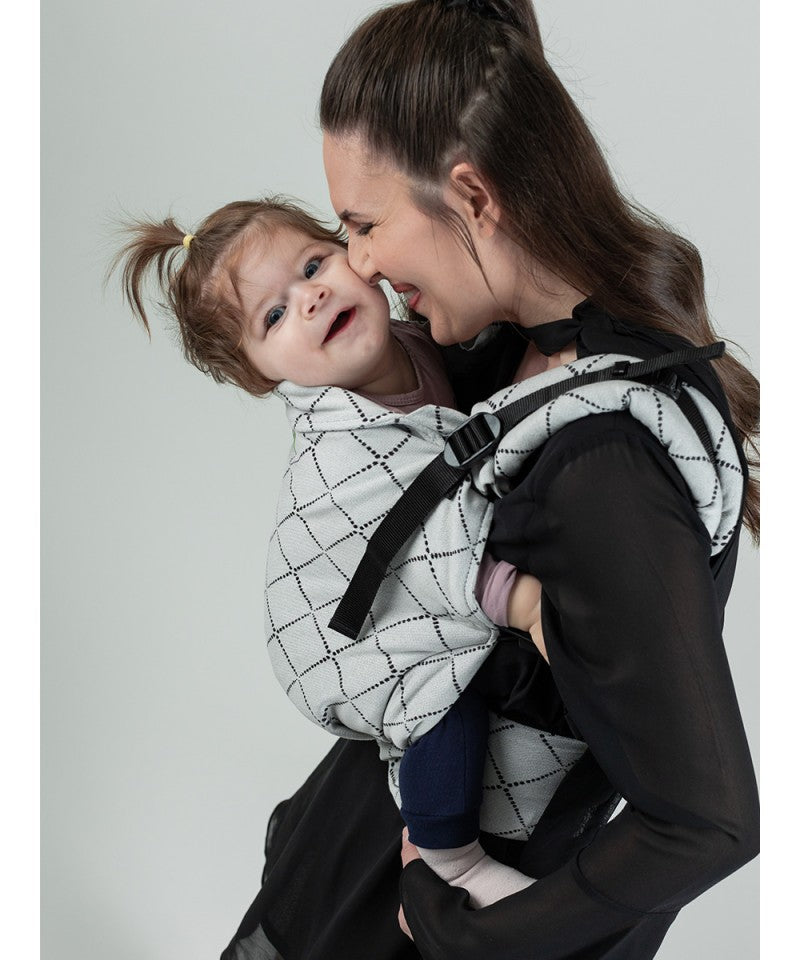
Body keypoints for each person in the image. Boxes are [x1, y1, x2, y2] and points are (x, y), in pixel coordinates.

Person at [223, 1, 760, 958]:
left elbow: (705, 822)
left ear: (472, 196)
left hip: (414, 920)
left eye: (363, 223)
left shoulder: (604, 461)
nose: (358, 262)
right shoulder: (502, 354)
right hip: (338, 865)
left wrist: (481, 938)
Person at [111, 195, 577, 910]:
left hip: (382, 573)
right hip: (328, 627)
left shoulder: (413, 340)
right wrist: (523, 600)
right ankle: (446, 854)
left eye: (313, 264)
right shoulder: (342, 452)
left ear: (355, 254)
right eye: (273, 316)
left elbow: (471, 430)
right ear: (261, 374)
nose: (310, 298)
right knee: (432, 699)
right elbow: (431, 540)